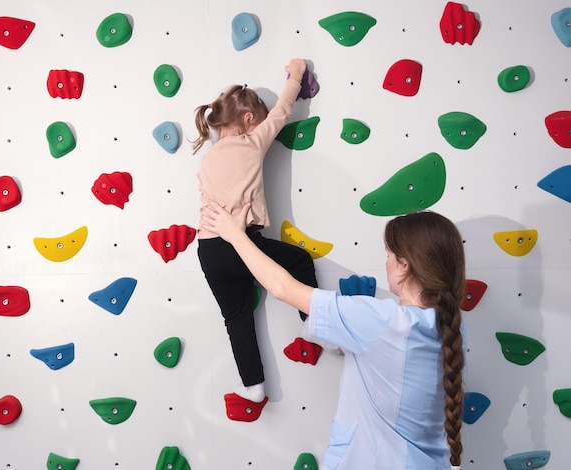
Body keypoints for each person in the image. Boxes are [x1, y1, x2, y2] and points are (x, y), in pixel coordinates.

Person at [200, 201, 466, 470]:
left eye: (388, 255)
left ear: (405, 265)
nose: (386, 263)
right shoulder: (450, 325)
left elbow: (282, 287)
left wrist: (235, 235)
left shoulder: (382, 321)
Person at [192, 59, 322, 422]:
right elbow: (282, 111)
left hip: (208, 250)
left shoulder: (206, 161)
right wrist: (296, 74)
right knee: (300, 263)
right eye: (259, 121)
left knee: (236, 318)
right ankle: (315, 324)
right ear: (249, 120)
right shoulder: (251, 143)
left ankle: (253, 386)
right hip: (240, 244)